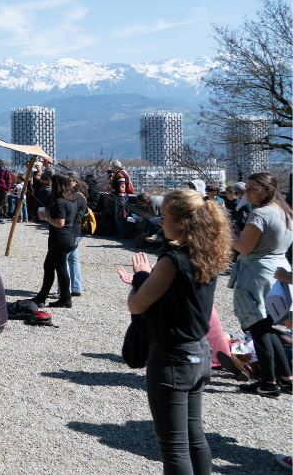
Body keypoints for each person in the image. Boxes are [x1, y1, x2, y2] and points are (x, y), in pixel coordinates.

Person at [115, 189, 231, 475]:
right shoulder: (207, 252)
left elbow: (137, 304)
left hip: (173, 359)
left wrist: (142, 276)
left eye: (163, 216)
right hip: (199, 353)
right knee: (195, 438)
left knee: (174, 447)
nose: (159, 221)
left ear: (182, 222)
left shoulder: (172, 259)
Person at [229, 173, 293, 398]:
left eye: (252, 188)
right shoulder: (285, 212)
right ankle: (285, 378)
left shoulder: (260, 213)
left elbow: (245, 249)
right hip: (277, 271)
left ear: (267, 190)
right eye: (246, 188)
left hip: (255, 273)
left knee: (258, 328)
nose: (246, 192)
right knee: (268, 327)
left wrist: (231, 236)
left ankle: (269, 382)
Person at [31, 174, 78, 308]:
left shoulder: (59, 202)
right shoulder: (72, 200)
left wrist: (46, 218)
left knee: (61, 268)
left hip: (59, 238)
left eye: (53, 183)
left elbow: (60, 223)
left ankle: (65, 298)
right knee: (49, 266)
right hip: (69, 237)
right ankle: (42, 296)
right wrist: (49, 213)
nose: (51, 185)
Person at [67, 178, 89, 297]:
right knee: (74, 260)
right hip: (78, 231)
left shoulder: (76, 197)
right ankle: (76, 288)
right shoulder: (83, 198)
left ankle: (64, 289)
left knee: (64, 260)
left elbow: (69, 212)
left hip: (71, 231)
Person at [110, 160, 132, 238]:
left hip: (120, 197)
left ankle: (123, 234)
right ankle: (121, 233)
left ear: (115, 166)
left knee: (120, 216)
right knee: (119, 215)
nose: (111, 168)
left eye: (112, 167)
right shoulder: (121, 172)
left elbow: (122, 186)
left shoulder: (120, 174)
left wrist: (121, 198)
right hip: (120, 196)